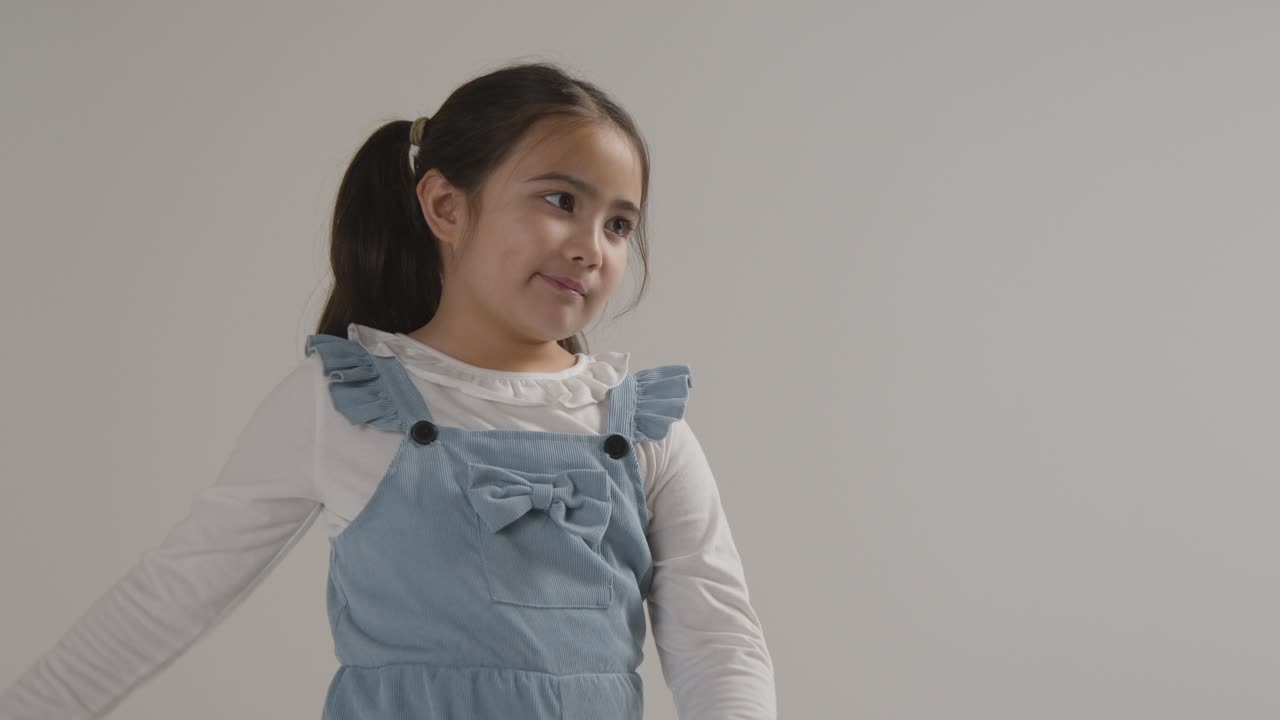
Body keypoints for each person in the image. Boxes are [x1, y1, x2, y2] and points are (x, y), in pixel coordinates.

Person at [0, 60, 776, 719]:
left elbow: (718, 638)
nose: (591, 247)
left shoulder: (645, 429)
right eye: (559, 200)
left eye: (618, 225)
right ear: (445, 205)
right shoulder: (343, 404)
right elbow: (176, 592)